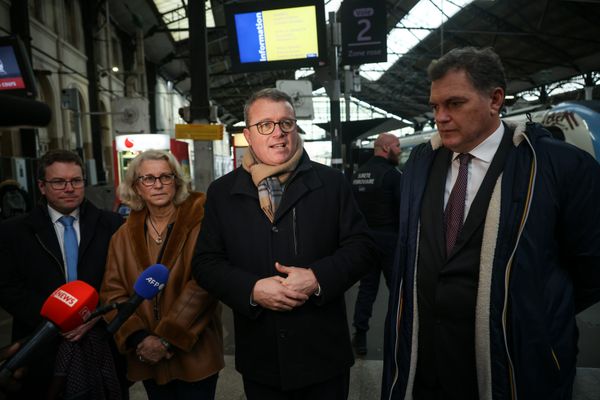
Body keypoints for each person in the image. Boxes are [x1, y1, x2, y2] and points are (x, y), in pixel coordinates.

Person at [381, 46, 600, 400]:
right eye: (435, 106)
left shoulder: (558, 168)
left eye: (454, 103)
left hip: (511, 366)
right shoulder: (420, 165)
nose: (440, 116)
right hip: (425, 366)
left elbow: (590, 268)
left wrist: (531, 311)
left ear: (495, 99)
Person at [192, 88, 377, 400]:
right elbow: (205, 264)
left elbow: (363, 248)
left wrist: (318, 277)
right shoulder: (223, 193)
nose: (278, 133)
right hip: (261, 359)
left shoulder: (331, 183)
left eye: (286, 123)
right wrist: (252, 289)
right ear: (248, 135)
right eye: (265, 125)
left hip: (323, 356)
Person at [0, 149, 126, 399]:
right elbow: (6, 287)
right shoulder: (14, 232)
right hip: (38, 341)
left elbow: (123, 279)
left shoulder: (112, 226)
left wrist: (95, 314)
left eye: (76, 181)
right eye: (59, 181)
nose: (69, 188)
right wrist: (57, 320)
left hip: (100, 339)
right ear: (42, 186)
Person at [100, 149, 224, 400]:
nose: (157, 185)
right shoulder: (122, 237)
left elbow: (204, 285)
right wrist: (139, 337)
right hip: (146, 354)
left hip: (195, 354)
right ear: (135, 186)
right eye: (148, 178)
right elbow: (112, 291)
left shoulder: (202, 224)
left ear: (176, 182)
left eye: (165, 177)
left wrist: (166, 338)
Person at [350, 132, 401, 355]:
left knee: (367, 289)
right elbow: (402, 211)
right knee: (397, 289)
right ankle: (399, 333)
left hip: (366, 240)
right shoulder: (393, 175)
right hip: (389, 239)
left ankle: (359, 336)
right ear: (386, 147)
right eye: (397, 146)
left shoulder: (358, 174)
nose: (399, 150)